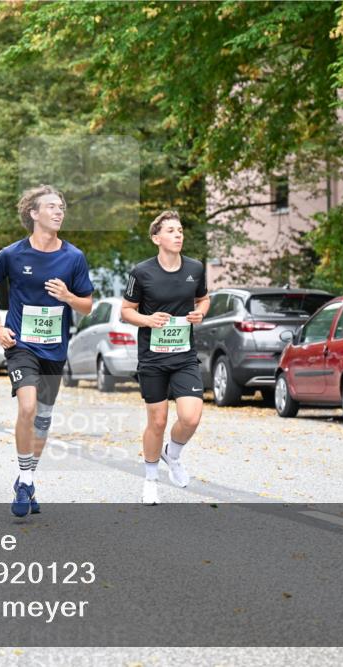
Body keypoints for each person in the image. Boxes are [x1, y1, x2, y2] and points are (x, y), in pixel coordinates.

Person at [0, 185, 94, 517]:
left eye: (62, 207)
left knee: (42, 419)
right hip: (21, 346)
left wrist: (68, 296)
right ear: (34, 214)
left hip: (54, 351)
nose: (60, 212)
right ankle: (26, 481)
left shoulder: (74, 257)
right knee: (27, 407)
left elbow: (86, 306)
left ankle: (25, 479)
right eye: (52, 207)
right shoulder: (13, 254)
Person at [121, 210, 209, 505]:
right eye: (171, 230)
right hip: (153, 359)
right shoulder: (142, 272)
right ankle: (150, 479)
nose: (178, 234)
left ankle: (173, 454)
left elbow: (203, 298)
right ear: (156, 238)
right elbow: (126, 311)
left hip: (184, 355)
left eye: (180, 229)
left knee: (191, 416)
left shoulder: (195, 268)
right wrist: (147, 320)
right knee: (157, 422)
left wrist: (201, 313)